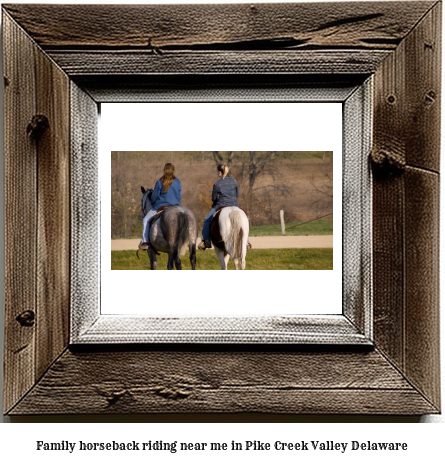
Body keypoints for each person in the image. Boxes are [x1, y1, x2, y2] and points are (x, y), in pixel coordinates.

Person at [199, 164, 251, 251]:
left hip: (221, 205)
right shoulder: (234, 181)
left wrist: (215, 203)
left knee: (207, 219)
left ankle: (206, 241)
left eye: (217, 171)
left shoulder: (217, 184)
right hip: (234, 204)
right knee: (243, 220)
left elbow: (213, 198)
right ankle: (246, 242)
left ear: (219, 172)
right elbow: (237, 194)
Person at [139, 163, 182, 250]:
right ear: (173, 170)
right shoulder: (178, 181)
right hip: (175, 206)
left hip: (161, 206)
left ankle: (145, 241)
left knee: (146, 220)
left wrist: (154, 203)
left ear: (164, 170)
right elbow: (179, 196)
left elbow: (154, 196)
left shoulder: (159, 181)